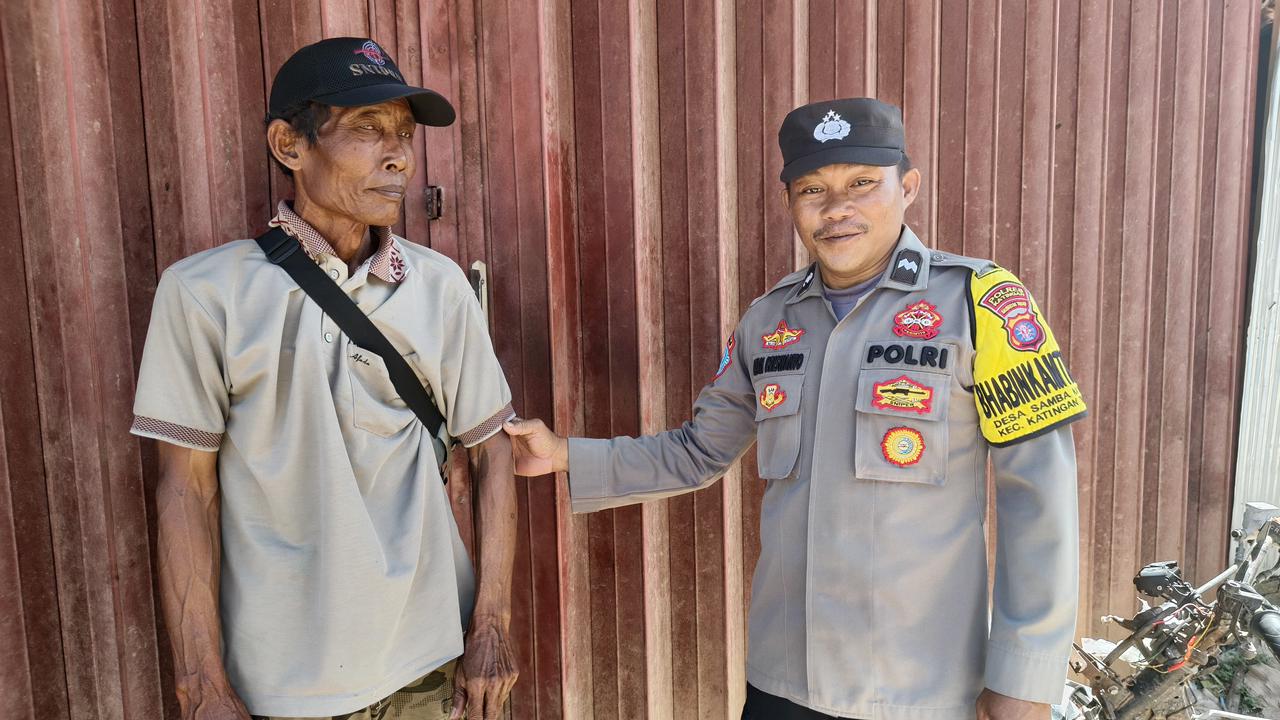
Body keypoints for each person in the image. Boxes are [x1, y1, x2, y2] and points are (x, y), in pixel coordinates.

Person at [506, 98, 1085, 720]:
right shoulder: (769, 320)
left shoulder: (982, 303)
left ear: (907, 187)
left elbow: (1040, 497)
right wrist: (564, 454)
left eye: (862, 183)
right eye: (813, 189)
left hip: (921, 686)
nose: (837, 209)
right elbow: (699, 451)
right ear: (789, 202)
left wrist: (1025, 679)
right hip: (784, 683)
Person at [132, 37, 518, 720]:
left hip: (428, 666)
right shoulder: (205, 294)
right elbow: (183, 490)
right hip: (281, 684)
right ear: (289, 145)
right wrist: (202, 688)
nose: (398, 155)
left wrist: (490, 626)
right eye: (368, 131)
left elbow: (493, 455)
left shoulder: (441, 288)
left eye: (404, 134)